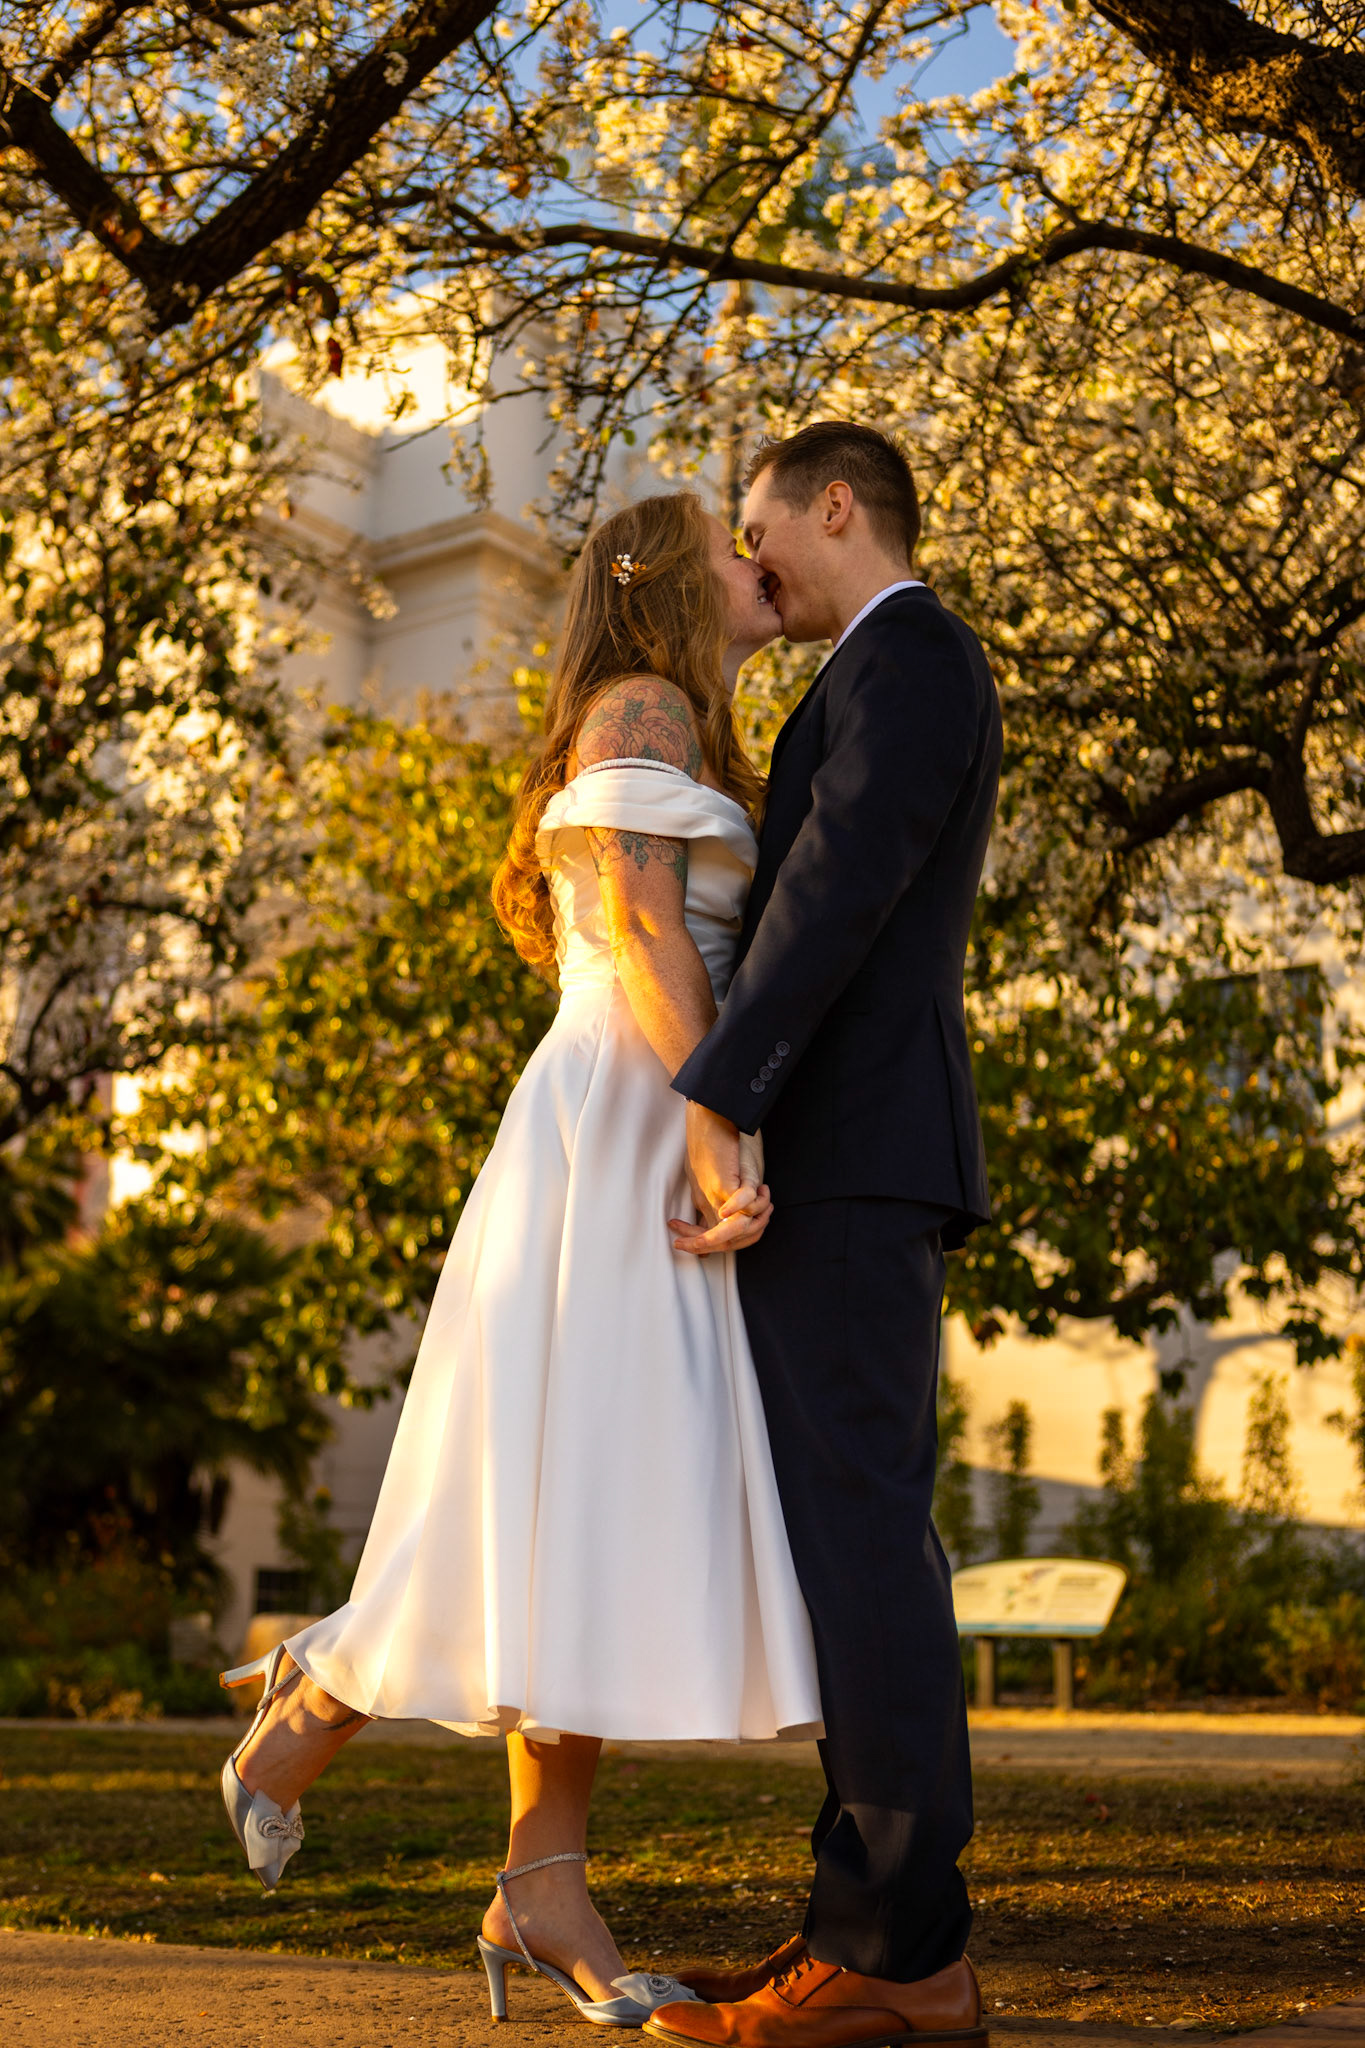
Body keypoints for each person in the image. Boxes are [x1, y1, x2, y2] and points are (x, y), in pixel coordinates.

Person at [214, 488, 823, 2028]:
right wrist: (712, 1124)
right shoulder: (644, 706)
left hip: (622, 1113)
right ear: (672, 585)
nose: (761, 564)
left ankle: (533, 1874)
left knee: (579, 1496)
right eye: (731, 546)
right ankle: (329, 1707)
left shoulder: (673, 717)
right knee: (558, 1478)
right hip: (621, 1126)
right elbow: (635, 920)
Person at [645, 422, 1001, 2048]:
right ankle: (852, 1931)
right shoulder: (856, 678)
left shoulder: (910, 659)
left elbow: (836, 893)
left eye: (755, 526)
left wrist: (720, 1094)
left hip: (851, 1160)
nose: (750, 557)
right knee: (847, 1547)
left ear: (831, 506)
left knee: (864, 1550)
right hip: (844, 1158)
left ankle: (899, 1958)